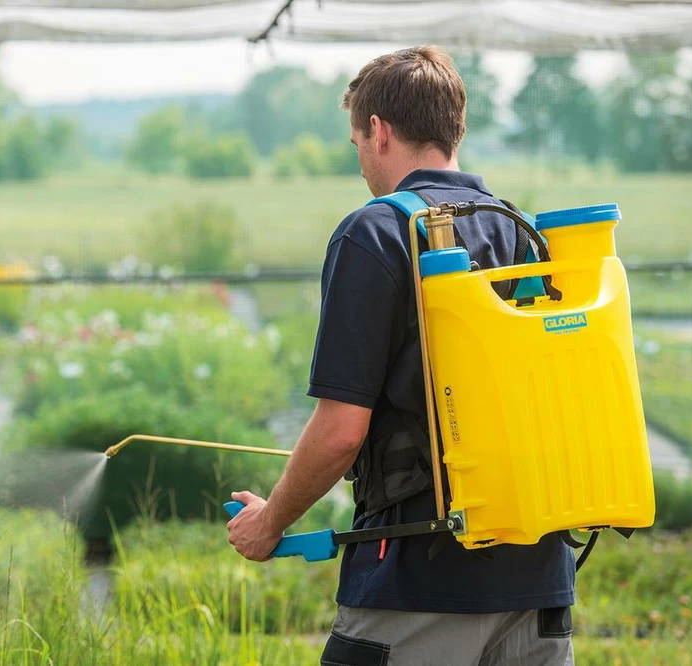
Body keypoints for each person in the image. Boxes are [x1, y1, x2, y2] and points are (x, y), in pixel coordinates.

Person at [226, 46, 575, 666]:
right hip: (540, 582)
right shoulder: (523, 233)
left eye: (357, 142)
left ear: (379, 131)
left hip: (417, 581)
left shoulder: (375, 233)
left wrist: (270, 521)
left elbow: (341, 431)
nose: (361, 161)